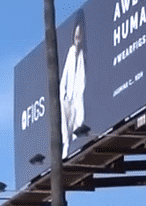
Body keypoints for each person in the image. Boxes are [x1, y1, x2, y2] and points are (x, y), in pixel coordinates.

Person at [60, 12, 87, 157]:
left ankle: (75, 145)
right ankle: (66, 148)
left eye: (79, 37)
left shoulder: (83, 55)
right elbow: (64, 78)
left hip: (76, 99)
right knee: (65, 128)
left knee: (77, 119)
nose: (77, 40)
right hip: (66, 99)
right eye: (76, 37)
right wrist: (64, 95)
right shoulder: (71, 53)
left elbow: (81, 84)